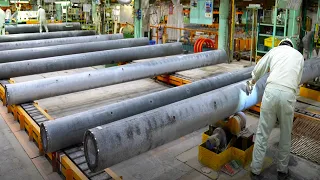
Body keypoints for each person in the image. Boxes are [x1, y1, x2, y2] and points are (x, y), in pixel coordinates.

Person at [246, 38, 304, 180]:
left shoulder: (274, 51)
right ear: (291, 46)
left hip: (271, 91)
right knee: (285, 134)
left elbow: (260, 67)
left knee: (263, 133)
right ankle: (282, 170)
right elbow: (298, 79)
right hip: (288, 94)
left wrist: (252, 81)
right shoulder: (299, 56)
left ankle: (255, 170)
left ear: (281, 45)